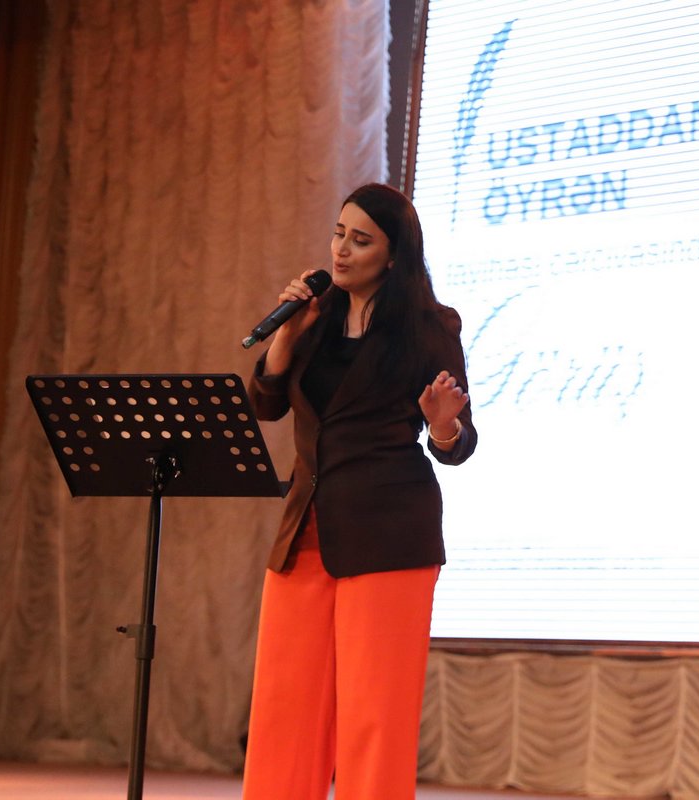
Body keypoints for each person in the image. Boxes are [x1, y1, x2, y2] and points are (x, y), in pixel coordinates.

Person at [241, 183, 477, 800]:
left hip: (389, 534)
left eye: (361, 240)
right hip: (305, 529)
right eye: (338, 233)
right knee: (284, 710)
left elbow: (460, 442)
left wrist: (443, 425)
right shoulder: (314, 320)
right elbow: (266, 404)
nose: (341, 250)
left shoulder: (430, 327)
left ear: (394, 256)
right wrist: (287, 334)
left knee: (375, 714)